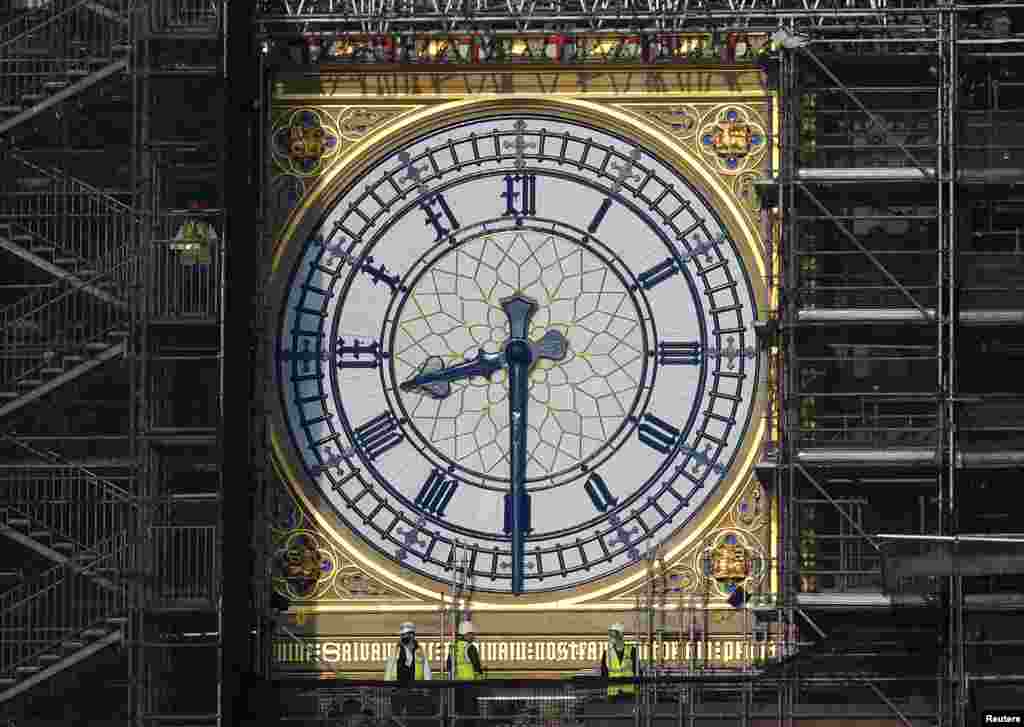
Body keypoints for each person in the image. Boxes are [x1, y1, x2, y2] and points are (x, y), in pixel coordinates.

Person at [385, 622, 432, 725]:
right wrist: (387, 686)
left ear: (412, 635)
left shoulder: (420, 650)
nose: (402, 637)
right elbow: (389, 668)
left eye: (404, 634)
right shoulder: (396, 649)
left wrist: (427, 686)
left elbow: (426, 668)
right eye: (401, 635)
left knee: (413, 717)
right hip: (398, 689)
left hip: (415, 689)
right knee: (396, 717)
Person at [447, 621, 483, 727]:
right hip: (470, 685)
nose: (473, 636)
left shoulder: (453, 648)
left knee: (459, 713)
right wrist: (480, 679)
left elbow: (448, 666)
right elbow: (477, 667)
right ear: (466, 634)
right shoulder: (470, 648)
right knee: (470, 714)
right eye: (472, 634)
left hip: (456, 686)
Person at [600, 623, 637, 702]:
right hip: (613, 692)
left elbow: (637, 671)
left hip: (628, 692)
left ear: (621, 635)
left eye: (614, 634)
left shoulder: (632, 651)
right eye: (611, 634)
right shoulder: (607, 652)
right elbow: (604, 673)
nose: (612, 636)